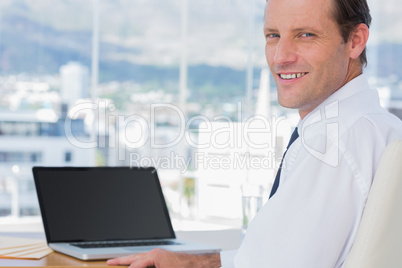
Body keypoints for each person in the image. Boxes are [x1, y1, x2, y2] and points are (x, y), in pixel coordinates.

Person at [107, 0, 402, 267]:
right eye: (273, 35)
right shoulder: (383, 129)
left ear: (355, 41)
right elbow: (273, 258)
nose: (280, 57)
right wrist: (195, 263)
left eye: (306, 35)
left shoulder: (331, 145)